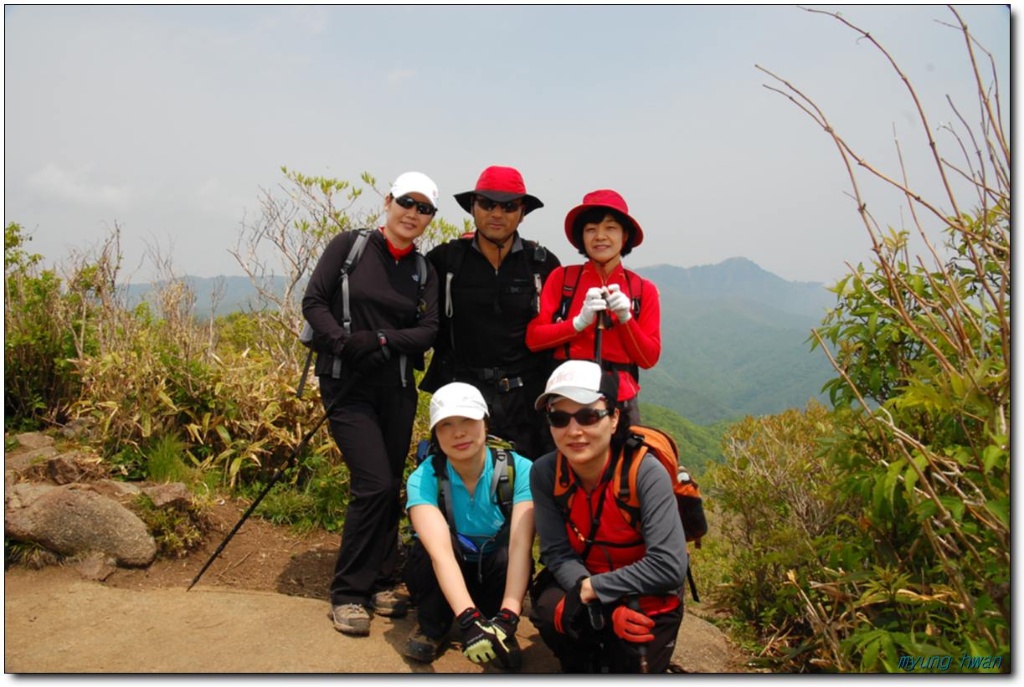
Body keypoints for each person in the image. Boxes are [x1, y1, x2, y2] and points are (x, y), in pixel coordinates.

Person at [302, 171, 440, 637]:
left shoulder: (423, 270)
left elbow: (429, 329)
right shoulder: (351, 246)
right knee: (374, 482)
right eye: (407, 202)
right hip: (346, 384)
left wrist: (379, 338)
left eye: (424, 209)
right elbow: (314, 302)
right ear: (388, 201)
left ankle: (382, 579)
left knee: (390, 482)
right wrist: (343, 344)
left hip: (396, 388)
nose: (413, 214)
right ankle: (348, 593)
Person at [528, 360, 688, 673]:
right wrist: (601, 599)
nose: (574, 431)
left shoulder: (643, 472)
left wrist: (591, 591)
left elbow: (669, 566)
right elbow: (557, 553)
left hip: (644, 589)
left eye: (588, 416)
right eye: (560, 418)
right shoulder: (546, 473)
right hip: (586, 578)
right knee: (552, 610)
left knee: (633, 651)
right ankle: (584, 658)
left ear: (614, 418)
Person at [420, 165, 561, 460]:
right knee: (459, 482)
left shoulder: (542, 264)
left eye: (509, 206)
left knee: (529, 484)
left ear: (522, 212)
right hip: (462, 396)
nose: (497, 213)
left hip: (527, 402)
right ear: (473, 207)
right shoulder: (445, 260)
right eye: (487, 204)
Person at [402, 382, 535, 669]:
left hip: (494, 569)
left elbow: (522, 546)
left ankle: (498, 624)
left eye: (468, 421)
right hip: (446, 568)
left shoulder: (520, 470)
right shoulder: (424, 478)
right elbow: (440, 554)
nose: (458, 432)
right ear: (435, 434)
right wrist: (467, 619)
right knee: (426, 552)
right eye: (446, 425)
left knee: (508, 550)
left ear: (485, 423)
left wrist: (510, 616)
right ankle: (432, 626)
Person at [526, 190, 661, 426]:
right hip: (567, 395)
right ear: (582, 236)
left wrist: (625, 319)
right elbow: (534, 338)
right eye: (591, 229)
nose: (600, 236)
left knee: (624, 462)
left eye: (610, 228)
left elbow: (648, 357)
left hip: (622, 398)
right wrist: (578, 323)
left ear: (624, 235)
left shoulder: (643, 289)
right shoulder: (562, 279)